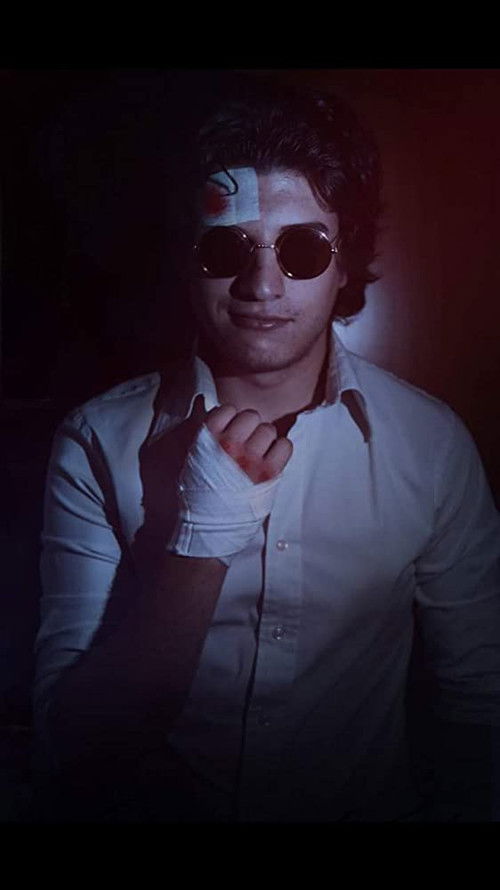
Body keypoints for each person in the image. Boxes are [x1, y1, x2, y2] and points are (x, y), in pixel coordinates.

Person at [34, 72, 500, 823]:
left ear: (345, 263)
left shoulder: (431, 447)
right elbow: (76, 742)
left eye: (302, 249)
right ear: (187, 259)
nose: (262, 284)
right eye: (226, 247)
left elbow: (481, 701)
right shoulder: (95, 442)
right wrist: (198, 542)